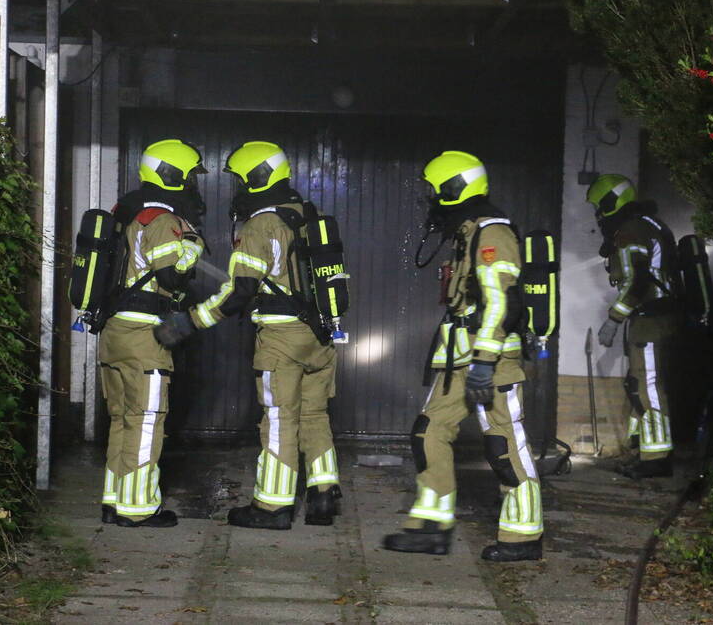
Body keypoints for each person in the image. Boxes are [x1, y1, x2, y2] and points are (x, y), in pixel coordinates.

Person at [156, 141, 341, 529]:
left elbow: (240, 291)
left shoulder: (260, 225)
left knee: (278, 419)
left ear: (257, 178)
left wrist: (190, 321)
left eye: (241, 181)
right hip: (320, 333)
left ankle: (273, 507)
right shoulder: (309, 216)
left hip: (281, 339)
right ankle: (323, 496)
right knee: (315, 415)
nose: (238, 190)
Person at [381, 150, 544, 562]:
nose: (431, 199)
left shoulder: (493, 233)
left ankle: (523, 536)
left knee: (504, 445)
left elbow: (501, 302)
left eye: (436, 191)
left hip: (492, 363)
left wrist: (485, 362)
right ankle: (430, 528)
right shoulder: (467, 232)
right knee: (428, 433)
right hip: (458, 361)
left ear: (455, 189)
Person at [99, 139, 207, 527]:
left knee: (122, 420)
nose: (193, 185)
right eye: (190, 176)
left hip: (114, 330)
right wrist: (192, 247)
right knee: (146, 421)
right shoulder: (160, 220)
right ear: (173, 175)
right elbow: (170, 275)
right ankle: (138, 508)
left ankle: (114, 500)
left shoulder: (127, 212)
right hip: (143, 335)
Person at [586, 173, 680, 479]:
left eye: (599, 207)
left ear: (612, 202)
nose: (598, 215)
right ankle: (643, 450)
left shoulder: (631, 230)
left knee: (647, 386)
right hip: (651, 318)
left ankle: (656, 458)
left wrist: (613, 319)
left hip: (652, 319)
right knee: (638, 384)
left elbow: (638, 281)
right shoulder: (645, 225)